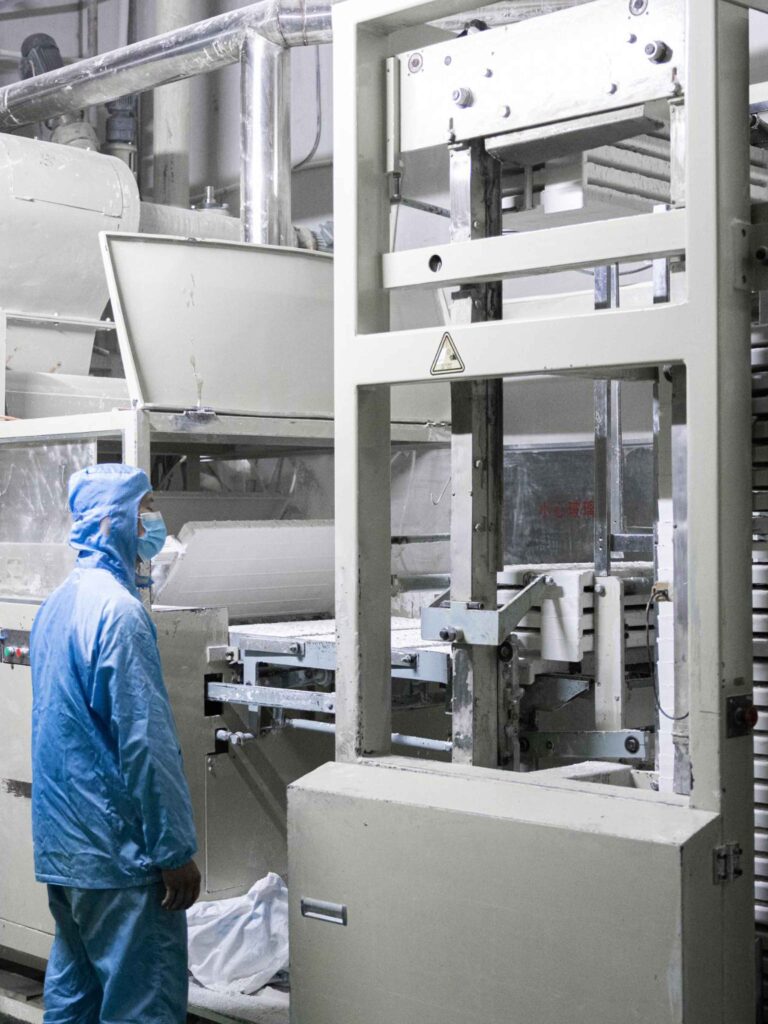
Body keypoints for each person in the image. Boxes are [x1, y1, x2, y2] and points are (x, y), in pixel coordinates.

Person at [30, 463, 201, 1024]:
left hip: (66, 853)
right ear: (112, 521)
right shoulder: (120, 615)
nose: (154, 519)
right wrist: (173, 851)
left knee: (74, 1001)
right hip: (120, 858)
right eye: (145, 506)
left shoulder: (56, 606)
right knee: (142, 1005)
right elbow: (145, 744)